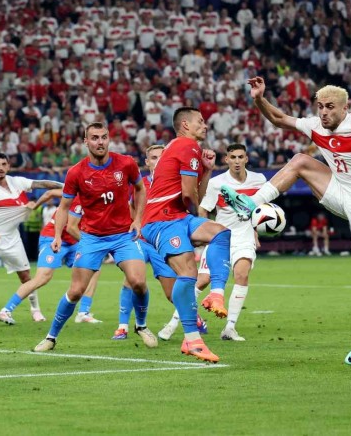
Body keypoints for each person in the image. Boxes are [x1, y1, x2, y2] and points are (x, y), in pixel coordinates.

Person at [222, 78, 351, 365]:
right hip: (339, 192)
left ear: (345, 108)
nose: (323, 112)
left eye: (330, 107)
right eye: (320, 106)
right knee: (300, 160)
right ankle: (251, 203)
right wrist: (259, 98)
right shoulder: (316, 126)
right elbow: (279, 119)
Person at [33, 121, 157, 352]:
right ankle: (51, 337)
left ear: (109, 139)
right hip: (92, 238)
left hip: (123, 236)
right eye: (94, 138)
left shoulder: (126, 163)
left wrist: (138, 220)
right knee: (75, 291)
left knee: (139, 282)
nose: (100, 142)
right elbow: (63, 207)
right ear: (86, 141)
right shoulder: (76, 172)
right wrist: (57, 235)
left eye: (103, 137)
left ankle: (141, 325)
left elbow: (141, 189)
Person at [141, 108, 231, 363]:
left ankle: (216, 294)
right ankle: (192, 339)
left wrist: (207, 170)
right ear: (185, 124)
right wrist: (199, 215)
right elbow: (190, 195)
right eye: (200, 121)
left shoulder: (183, 148)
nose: (205, 125)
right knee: (188, 273)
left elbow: (194, 193)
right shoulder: (186, 145)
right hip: (162, 220)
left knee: (221, 232)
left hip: (177, 217)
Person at [158, 144, 266, 342]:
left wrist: (256, 231)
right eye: (233, 157)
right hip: (220, 239)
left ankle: (230, 328)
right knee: (201, 280)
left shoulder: (259, 180)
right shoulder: (217, 183)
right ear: (226, 160)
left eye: (240, 157)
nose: (236, 161)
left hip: (244, 239)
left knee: (241, 274)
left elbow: (261, 211)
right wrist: (205, 234)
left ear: (246, 159)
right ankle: (172, 323)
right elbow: (203, 209)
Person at [114, 144, 206, 341]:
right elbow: (131, 206)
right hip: (141, 240)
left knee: (171, 292)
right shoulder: (140, 185)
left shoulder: (173, 184)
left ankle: (193, 315)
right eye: (154, 158)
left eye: (161, 157)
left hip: (162, 241)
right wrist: (136, 224)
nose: (158, 161)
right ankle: (122, 327)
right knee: (132, 279)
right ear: (147, 162)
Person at [0, 153, 64, 323]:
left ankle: (35, 310)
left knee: (26, 278)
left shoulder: (18, 182)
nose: (0, 168)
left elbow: (42, 184)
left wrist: (67, 185)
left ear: (8, 166)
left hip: (12, 239)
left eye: (3, 164)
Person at [0, 191, 103, 325]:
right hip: (53, 237)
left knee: (94, 269)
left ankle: (83, 313)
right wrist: (35, 206)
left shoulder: (95, 198)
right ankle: (6, 310)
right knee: (43, 277)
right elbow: (69, 225)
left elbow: (50, 194)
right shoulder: (77, 194)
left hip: (72, 241)